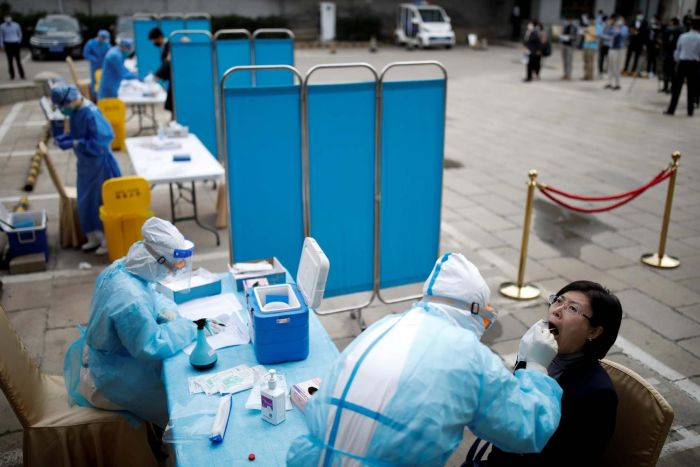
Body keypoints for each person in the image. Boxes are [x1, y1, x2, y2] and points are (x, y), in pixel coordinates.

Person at [287, 253, 562, 466]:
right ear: (473, 311)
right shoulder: (469, 356)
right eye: (486, 318)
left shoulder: (384, 326)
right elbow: (529, 430)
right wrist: (536, 367)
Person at [64, 217, 197, 427]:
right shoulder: (131, 301)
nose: (173, 272)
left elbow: (151, 292)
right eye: (172, 267)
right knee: (181, 403)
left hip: (108, 360)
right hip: (113, 378)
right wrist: (190, 327)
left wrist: (167, 311)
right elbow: (152, 345)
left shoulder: (123, 268)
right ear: (157, 262)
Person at [486, 281, 622, 466]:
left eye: (572, 308)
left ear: (594, 331)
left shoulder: (597, 394)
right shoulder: (535, 353)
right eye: (558, 300)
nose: (557, 310)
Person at [50, 84, 122, 254]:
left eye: (63, 105)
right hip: (86, 165)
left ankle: (105, 239)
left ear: (72, 99)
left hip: (99, 165)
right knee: (85, 201)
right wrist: (66, 138)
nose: (63, 110)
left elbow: (101, 142)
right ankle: (93, 237)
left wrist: (75, 143)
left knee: (99, 201)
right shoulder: (77, 112)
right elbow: (80, 134)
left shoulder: (91, 113)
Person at [664, 16, 700, 116]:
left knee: (676, 87)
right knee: (692, 88)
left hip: (682, 63)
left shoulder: (683, 36)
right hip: (694, 64)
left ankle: (671, 109)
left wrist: (677, 60)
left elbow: (677, 51)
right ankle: (690, 110)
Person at [148, 27, 173, 114]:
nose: (153, 42)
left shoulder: (170, 45)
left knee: (173, 103)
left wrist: (157, 75)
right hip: (171, 78)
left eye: (153, 40)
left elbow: (168, 62)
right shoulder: (165, 46)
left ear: (159, 37)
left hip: (175, 79)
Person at [82, 29, 111, 100]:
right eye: (103, 39)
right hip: (94, 65)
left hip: (104, 65)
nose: (103, 41)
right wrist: (93, 58)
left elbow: (110, 53)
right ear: (99, 37)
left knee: (104, 80)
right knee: (94, 81)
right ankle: (94, 96)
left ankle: (103, 95)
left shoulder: (106, 44)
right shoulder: (91, 43)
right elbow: (86, 53)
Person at [604, 15, 628, 90]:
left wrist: (618, 30)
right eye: (618, 20)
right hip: (612, 48)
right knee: (610, 65)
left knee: (617, 66)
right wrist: (609, 25)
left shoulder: (624, 28)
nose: (619, 21)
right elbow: (607, 33)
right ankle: (609, 82)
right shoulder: (613, 26)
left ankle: (617, 84)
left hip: (619, 49)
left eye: (621, 20)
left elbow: (623, 35)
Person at [662, 18, 684, 93]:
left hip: (674, 55)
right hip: (667, 53)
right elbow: (664, 40)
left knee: (672, 73)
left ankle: (671, 88)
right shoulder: (668, 31)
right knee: (666, 71)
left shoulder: (679, 33)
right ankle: (665, 87)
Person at [623, 11, 648, 77]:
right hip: (632, 41)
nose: (640, 16)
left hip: (639, 42)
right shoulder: (633, 21)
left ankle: (633, 70)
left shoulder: (645, 22)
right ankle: (625, 69)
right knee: (628, 56)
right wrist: (633, 32)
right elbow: (630, 29)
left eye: (641, 15)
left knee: (636, 57)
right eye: (638, 15)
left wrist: (644, 43)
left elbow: (645, 33)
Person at [0, 15, 24, 80]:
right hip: (7, 44)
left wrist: (19, 41)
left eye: (9, 18)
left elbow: (20, 33)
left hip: (15, 43)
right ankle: (12, 75)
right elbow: (1, 36)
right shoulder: (2, 26)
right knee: (10, 61)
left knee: (18, 60)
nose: (8, 19)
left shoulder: (16, 25)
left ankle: (22, 75)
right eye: (6, 18)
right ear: (4, 19)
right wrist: (2, 45)